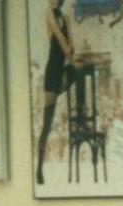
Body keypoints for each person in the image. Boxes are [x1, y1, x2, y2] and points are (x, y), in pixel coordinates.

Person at [35, 0, 75, 183]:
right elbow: (59, 37)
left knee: (79, 72)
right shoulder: (49, 13)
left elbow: (70, 44)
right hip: (53, 72)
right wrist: (68, 52)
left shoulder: (66, 17)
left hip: (62, 71)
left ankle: (80, 118)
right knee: (47, 123)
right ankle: (39, 169)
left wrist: (72, 56)